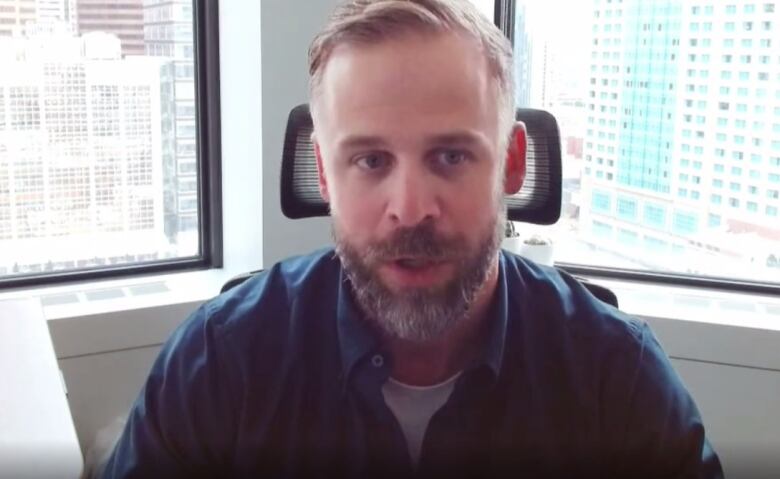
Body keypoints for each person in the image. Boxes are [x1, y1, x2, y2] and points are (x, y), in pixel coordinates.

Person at [101, 0, 724, 477]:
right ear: (323, 173)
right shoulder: (218, 362)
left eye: (450, 156)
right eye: (370, 160)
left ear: (510, 163)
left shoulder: (615, 376)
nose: (410, 209)